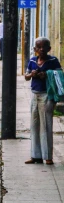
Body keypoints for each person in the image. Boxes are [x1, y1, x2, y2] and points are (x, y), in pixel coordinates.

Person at [24, 37, 60, 165]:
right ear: (35, 49)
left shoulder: (53, 60)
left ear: (49, 49)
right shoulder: (33, 60)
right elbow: (26, 76)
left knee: (46, 125)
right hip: (35, 94)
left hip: (47, 95)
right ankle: (36, 156)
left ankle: (48, 156)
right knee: (34, 126)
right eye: (38, 47)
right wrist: (32, 74)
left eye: (44, 47)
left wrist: (47, 74)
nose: (41, 49)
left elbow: (59, 75)